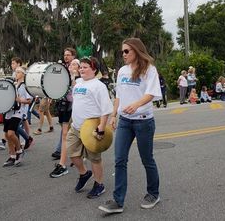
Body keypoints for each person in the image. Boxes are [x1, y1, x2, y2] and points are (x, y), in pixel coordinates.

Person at [99, 37, 162, 214]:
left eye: (127, 51)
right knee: (119, 159)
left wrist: (136, 104)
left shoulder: (149, 70)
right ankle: (118, 201)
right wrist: (113, 114)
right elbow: (118, 94)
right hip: (125, 121)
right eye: (122, 51)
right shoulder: (122, 71)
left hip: (143, 121)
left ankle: (153, 193)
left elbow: (151, 93)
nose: (123, 54)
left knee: (147, 159)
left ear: (136, 50)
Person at [67, 57, 113, 198]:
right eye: (81, 67)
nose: (81, 69)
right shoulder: (79, 83)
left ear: (94, 69)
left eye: (85, 67)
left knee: (94, 158)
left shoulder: (98, 86)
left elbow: (106, 109)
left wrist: (101, 127)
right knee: (72, 153)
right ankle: (84, 173)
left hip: (91, 128)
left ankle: (99, 184)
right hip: (76, 127)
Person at [50, 47, 76, 176]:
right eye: (64, 55)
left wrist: (73, 74)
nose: (66, 57)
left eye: (68, 55)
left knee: (66, 132)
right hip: (63, 102)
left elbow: (76, 84)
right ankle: (76, 153)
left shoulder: (75, 66)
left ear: (73, 56)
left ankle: (62, 164)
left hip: (73, 104)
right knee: (68, 131)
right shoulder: (62, 68)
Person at [0, 57, 22, 149]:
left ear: (18, 64)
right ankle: (14, 150)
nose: (11, 65)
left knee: (13, 130)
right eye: (11, 63)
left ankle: (18, 147)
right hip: (11, 108)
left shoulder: (21, 83)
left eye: (13, 63)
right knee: (12, 130)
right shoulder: (14, 77)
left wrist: (20, 100)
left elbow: (26, 98)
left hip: (18, 109)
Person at [2, 66, 28, 167]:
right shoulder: (12, 85)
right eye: (15, 72)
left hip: (18, 112)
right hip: (8, 112)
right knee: (7, 135)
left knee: (11, 134)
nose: (16, 73)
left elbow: (29, 100)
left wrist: (20, 100)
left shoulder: (25, 86)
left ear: (23, 74)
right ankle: (12, 156)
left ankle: (19, 150)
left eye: (18, 72)